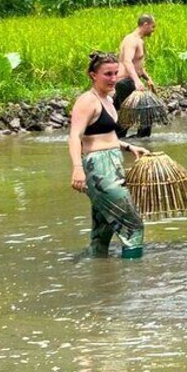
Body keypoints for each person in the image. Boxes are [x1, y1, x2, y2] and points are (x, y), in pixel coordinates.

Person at [69, 51, 148, 258]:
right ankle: (135, 281)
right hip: (98, 169)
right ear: (93, 75)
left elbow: (105, 135)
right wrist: (77, 169)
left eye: (115, 73)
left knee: (102, 231)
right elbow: (75, 136)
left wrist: (129, 147)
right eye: (107, 74)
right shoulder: (87, 101)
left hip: (113, 163)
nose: (113, 79)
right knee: (133, 226)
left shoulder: (108, 99)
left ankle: (97, 275)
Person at [114, 14, 157, 138]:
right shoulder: (131, 40)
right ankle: (116, 140)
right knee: (132, 115)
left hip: (131, 80)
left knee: (137, 114)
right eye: (152, 27)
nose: (153, 30)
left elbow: (138, 65)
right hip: (126, 82)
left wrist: (148, 78)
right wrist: (137, 81)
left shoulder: (139, 41)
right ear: (145, 25)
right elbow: (127, 61)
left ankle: (136, 140)